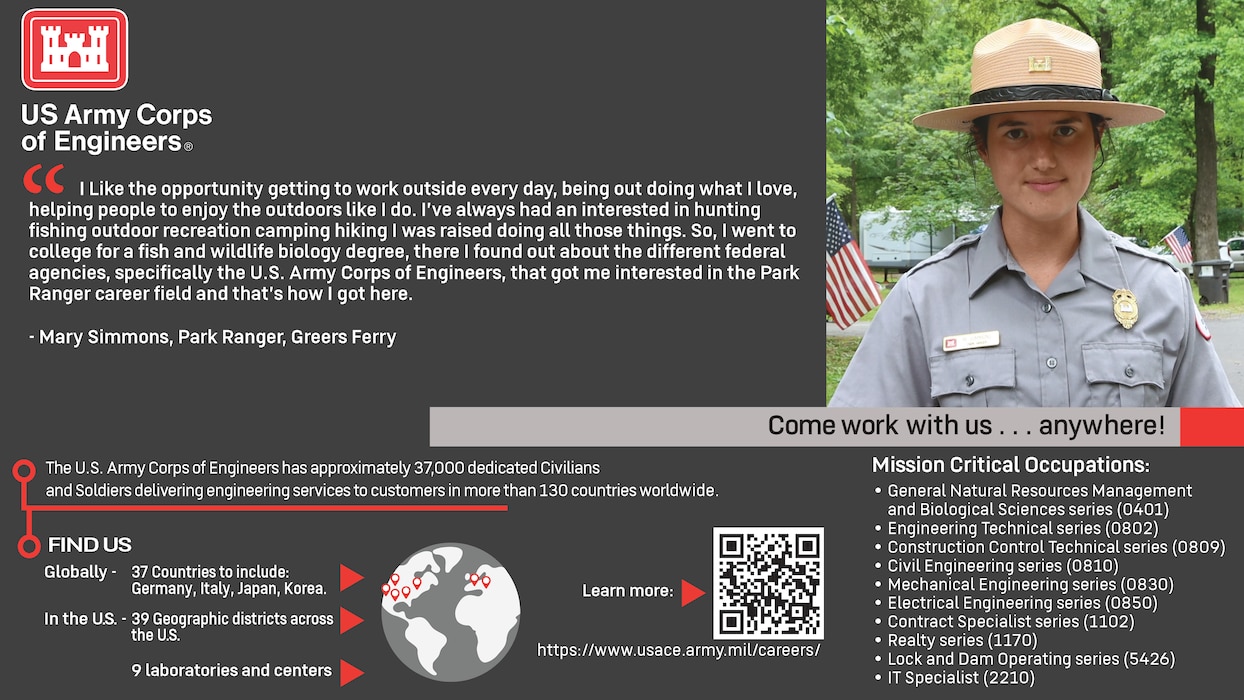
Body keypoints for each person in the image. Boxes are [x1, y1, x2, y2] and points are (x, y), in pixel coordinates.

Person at [830, 18, 1239, 407]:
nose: (1042, 158)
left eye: (1065, 130)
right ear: (983, 147)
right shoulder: (922, 301)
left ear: (1096, 140)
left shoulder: (1162, 293)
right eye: (1015, 133)